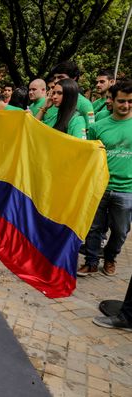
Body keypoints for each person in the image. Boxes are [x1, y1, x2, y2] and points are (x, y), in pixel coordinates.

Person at [78, 80, 132, 279]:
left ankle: (110, 258)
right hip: (99, 186)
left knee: (120, 231)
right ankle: (91, 262)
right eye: (121, 101)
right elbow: (89, 156)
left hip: (127, 189)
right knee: (94, 228)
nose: (126, 105)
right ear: (112, 100)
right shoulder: (98, 126)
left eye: (130, 101)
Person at [47, 60, 95, 127]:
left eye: (60, 77)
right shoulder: (52, 101)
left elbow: (90, 130)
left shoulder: (85, 104)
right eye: (55, 77)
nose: (55, 81)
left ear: (73, 78)